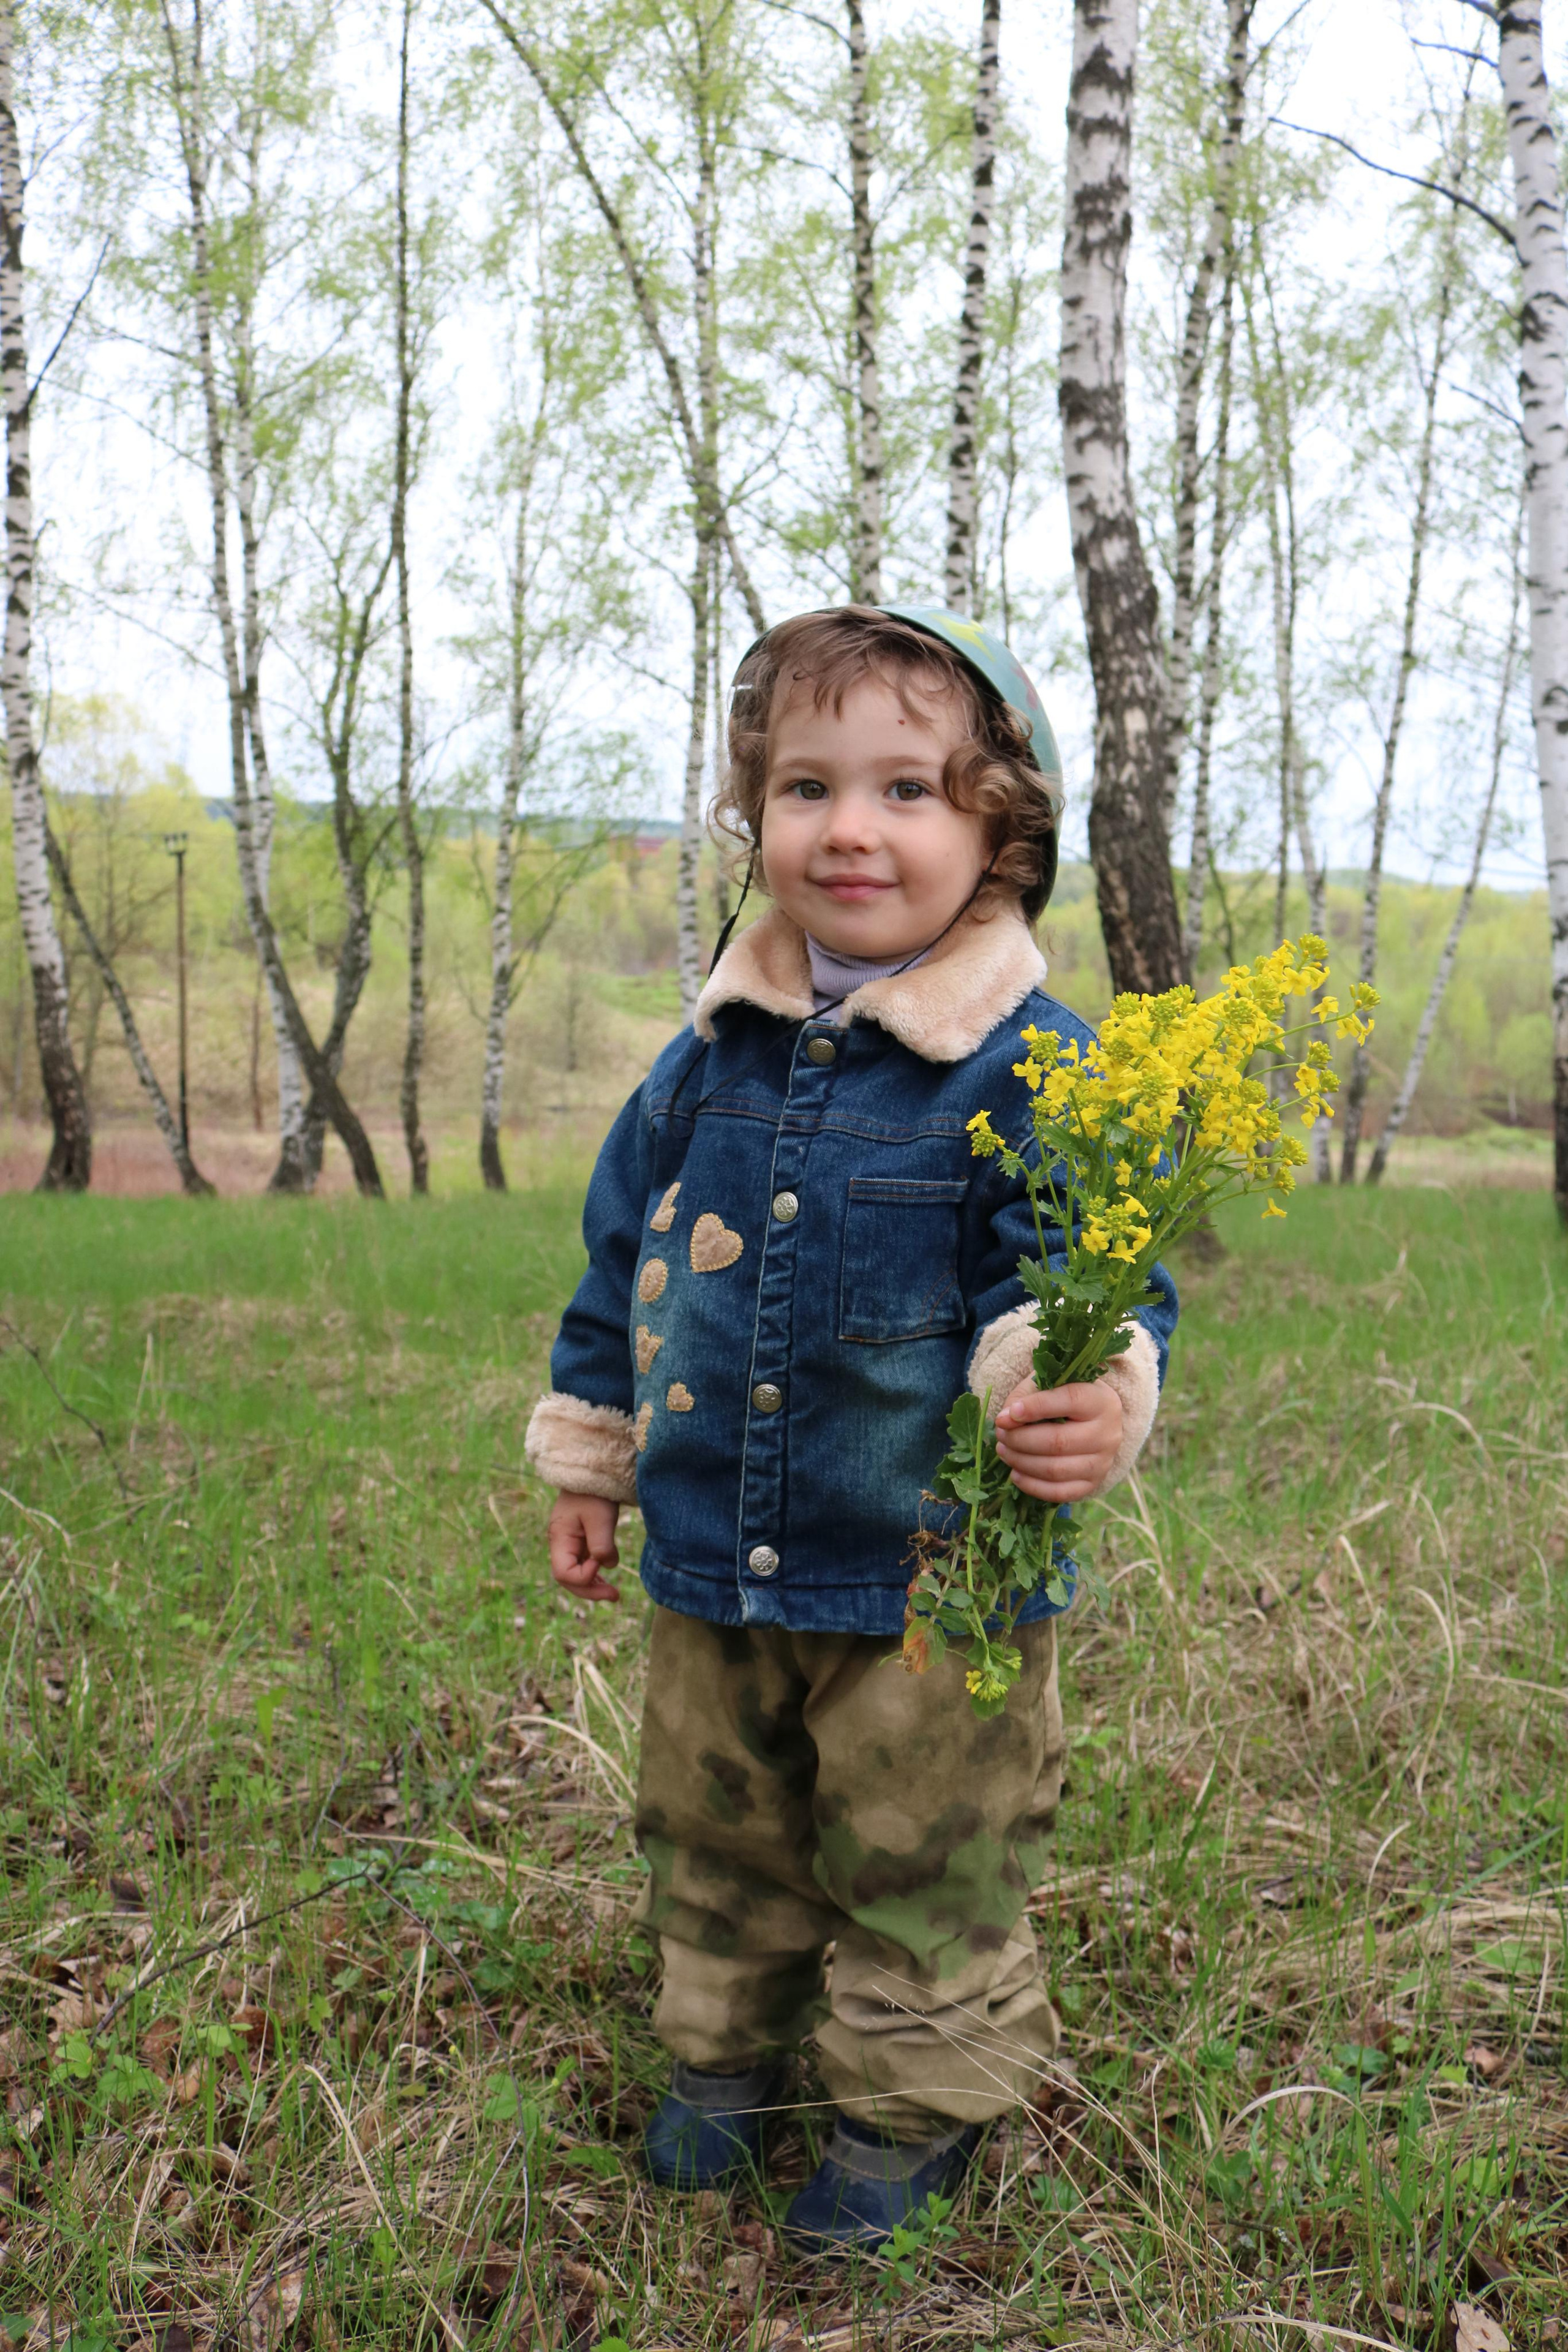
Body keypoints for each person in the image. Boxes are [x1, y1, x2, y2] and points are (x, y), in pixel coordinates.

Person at [525, 605, 1178, 2250]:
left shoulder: (1032, 1067)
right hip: (715, 1558)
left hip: (926, 1583)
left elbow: (1089, 1276)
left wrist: (1087, 1392)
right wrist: (594, 1454)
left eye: (907, 791)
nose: (849, 830)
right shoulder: (703, 1059)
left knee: (924, 1848)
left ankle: (908, 2106)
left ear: (1000, 834)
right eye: (806, 787)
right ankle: (724, 2054)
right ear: (757, 816)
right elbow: (623, 1261)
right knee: (713, 1821)